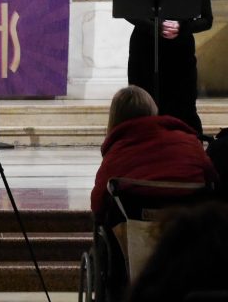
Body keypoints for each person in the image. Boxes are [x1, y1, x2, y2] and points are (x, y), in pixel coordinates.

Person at [126, 0, 213, 134]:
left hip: (179, 53)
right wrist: (156, 25)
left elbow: (207, 20)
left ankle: (183, 145)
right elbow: (130, 11)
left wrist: (181, 27)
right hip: (145, 50)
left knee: (182, 102)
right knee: (143, 100)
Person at [91, 85, 217, 224]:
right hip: (188, 232)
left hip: (135, 239)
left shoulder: (115, 156)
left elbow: (98, 205)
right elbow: (211, 178)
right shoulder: (190, 143)